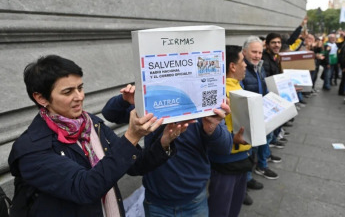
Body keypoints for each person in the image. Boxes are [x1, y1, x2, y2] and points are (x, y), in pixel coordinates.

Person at [8, 55, 186, 217]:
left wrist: (166, 140)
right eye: (68, 92)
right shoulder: (31, 148)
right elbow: (84, 188)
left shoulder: (90, 123)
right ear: (41, 98)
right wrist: (132, 136)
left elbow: (135, 164)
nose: (79, 97)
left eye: (80, 87)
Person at [102, 85, 233, 216]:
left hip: (194, 201)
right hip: (157, 202)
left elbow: (225, 148)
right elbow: (109, 113)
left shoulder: (200, 99)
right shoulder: (152, 97)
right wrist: (125, 99)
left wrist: (212, 128)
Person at [207, 45, 253, 217]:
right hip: (227, 162)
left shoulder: (237, 87)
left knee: (232, 207)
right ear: (232, 66)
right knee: (221, 209)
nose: (246, 65)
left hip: (241, 158)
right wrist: (233, 139)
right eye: (243, 61)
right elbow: (210, 131)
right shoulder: (221, 92)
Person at [242, 36, 280, 180]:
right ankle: (247, 179)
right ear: (244, 52)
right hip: (249, 117)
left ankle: (259, 168)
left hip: (262, 113)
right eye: (254, 52)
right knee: (250, 149)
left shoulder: (260, 67)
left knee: (263, 141)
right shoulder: (242, 69)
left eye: (260, 52)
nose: (257, 56)